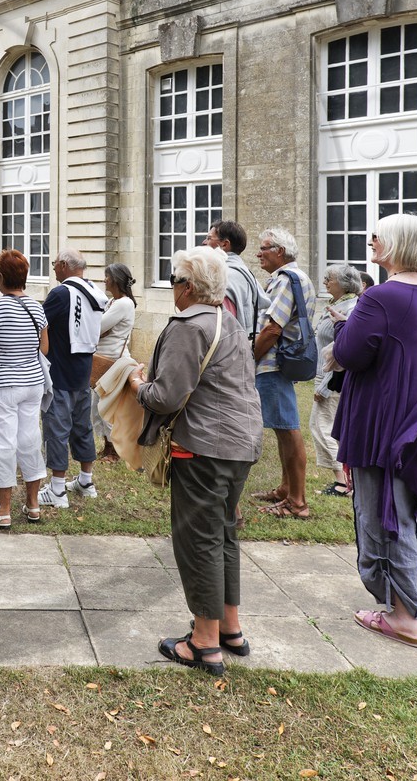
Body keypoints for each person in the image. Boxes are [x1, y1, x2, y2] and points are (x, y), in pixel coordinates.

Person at [331, 213, 417, 648]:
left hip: (392, 417)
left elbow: (350, 354)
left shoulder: (381, 297)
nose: (371, 241)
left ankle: (404, 617)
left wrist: (339, 326)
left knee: (387, 512)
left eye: (378, 236)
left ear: (394, 245)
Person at [128, 247, 262, 675]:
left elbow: (166, 396)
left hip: (204, 447)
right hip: (239, 443)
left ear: (187, 287)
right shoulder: (230, 319)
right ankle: (229, 628)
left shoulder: (188, 325)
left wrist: (137, 386)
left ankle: (204, 643)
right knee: (223, 534)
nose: (171, 288)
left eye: (172, 280)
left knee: (198, 539)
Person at [249, 227, 314, 519]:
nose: (258, 253)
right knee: (282, 428)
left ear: (279, 252)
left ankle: (297, 502)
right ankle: (286, 489)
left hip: (273, 363)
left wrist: (250, 357)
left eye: (264, 248)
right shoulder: (296, 278)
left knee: (288, 429)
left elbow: (273, 327)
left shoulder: (287, 280)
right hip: (281, 363)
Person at [0, 249, 49, 527]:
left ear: (1, 278)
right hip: (33, 382)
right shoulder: (37, 307)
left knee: (3, 443)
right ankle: (33, 505)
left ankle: (4, 510)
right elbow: (43, 347)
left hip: (5, 384)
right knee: (30, 439)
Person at [41, 247, 106, 508]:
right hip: (83, 370)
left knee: (56, 428)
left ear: (65, 265)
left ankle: (57, 490)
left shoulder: (60, 293)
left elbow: (40, 324)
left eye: (55, 263)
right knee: (83, 426)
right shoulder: (94, 291)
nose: (54, 267)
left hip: (60, 370)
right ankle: (86, 481)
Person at [311, 265, 362, 498]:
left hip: (333, 378)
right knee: (319, 427)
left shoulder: (351, 308)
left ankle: (345, 483)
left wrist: (326, 384)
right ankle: (343, 481)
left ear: (343, 283)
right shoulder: (339, 304)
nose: (325, 283)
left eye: (328, 279)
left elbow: (342, 350)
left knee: (327, 429)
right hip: (324, 375)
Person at [92, 263, 137, 463]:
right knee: (98, 407)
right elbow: (99, 328)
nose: (104, 280)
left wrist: (100, 329)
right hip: (103, 360)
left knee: (108, 407)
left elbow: (97, 327)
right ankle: (108, 446)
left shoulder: (123, 304)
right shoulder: (113, 302)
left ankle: (114, 451)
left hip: (112, 363)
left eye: (107, 277)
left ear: (116, 280)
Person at [206, 220, 265, 332]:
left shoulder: (223, 276)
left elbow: (218, 325)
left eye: (209, 238)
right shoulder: (246, 273)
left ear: (225, 244)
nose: (204, 242)